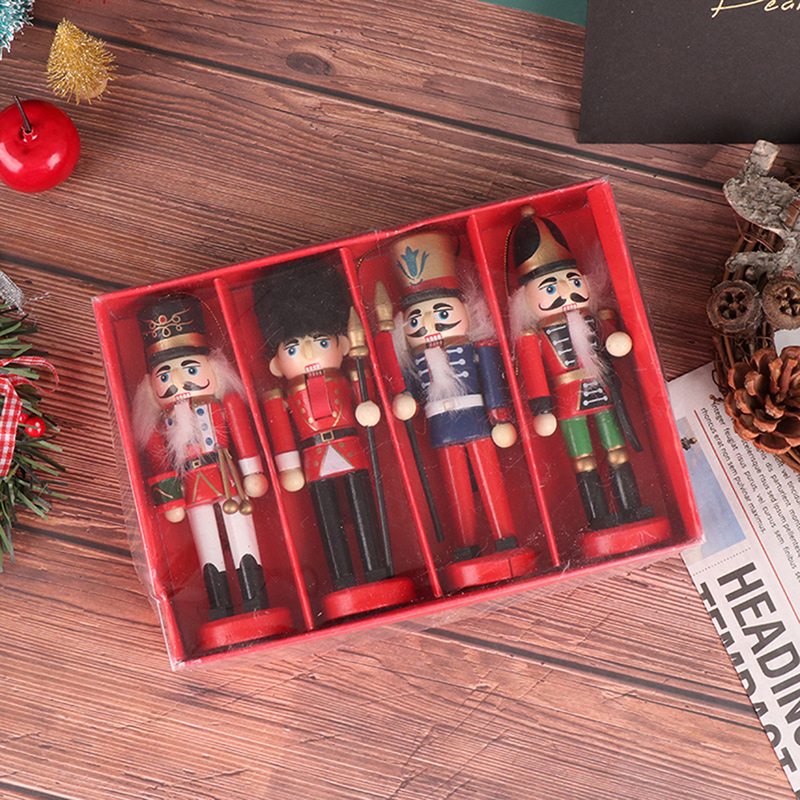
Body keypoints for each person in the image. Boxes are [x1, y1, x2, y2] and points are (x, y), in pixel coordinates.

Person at [508, 207, 652, 530]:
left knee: (618, 451)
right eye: (550, 288)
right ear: (525, 299)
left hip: (601, 388)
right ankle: (598, 518)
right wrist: (542, 408)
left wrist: (615, 342)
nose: (566, 292)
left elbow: (613, 346)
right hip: (567, 399)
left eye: (572, 281)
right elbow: (534, 374)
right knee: (583, 460)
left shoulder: (597, 317)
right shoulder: (532, 336)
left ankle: (633, 507)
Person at [133, 294, 272, 621]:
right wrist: (170, 500)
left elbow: (243, 438)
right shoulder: (159, 425)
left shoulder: (226, 405)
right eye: (164, 376)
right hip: (193, 488)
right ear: (150, 386)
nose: (178, 382)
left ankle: (257, 601)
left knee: (243, 539)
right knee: (208, 545)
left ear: (215, 370)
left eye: (191, 369)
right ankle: (219, 606)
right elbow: (160, 460)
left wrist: (253, 472)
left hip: (226, 476)